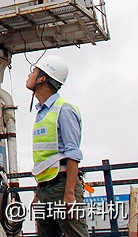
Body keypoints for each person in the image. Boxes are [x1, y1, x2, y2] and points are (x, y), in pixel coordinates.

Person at [26, 55, 88, 237]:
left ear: (43, 78)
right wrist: (38, 193)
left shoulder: (64, 110)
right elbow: (45, 159)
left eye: (34, 71)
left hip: (62, 186)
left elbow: (72, 154)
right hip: (46, 188)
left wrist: (69, 194)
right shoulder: (41, 113)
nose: (29, 75)